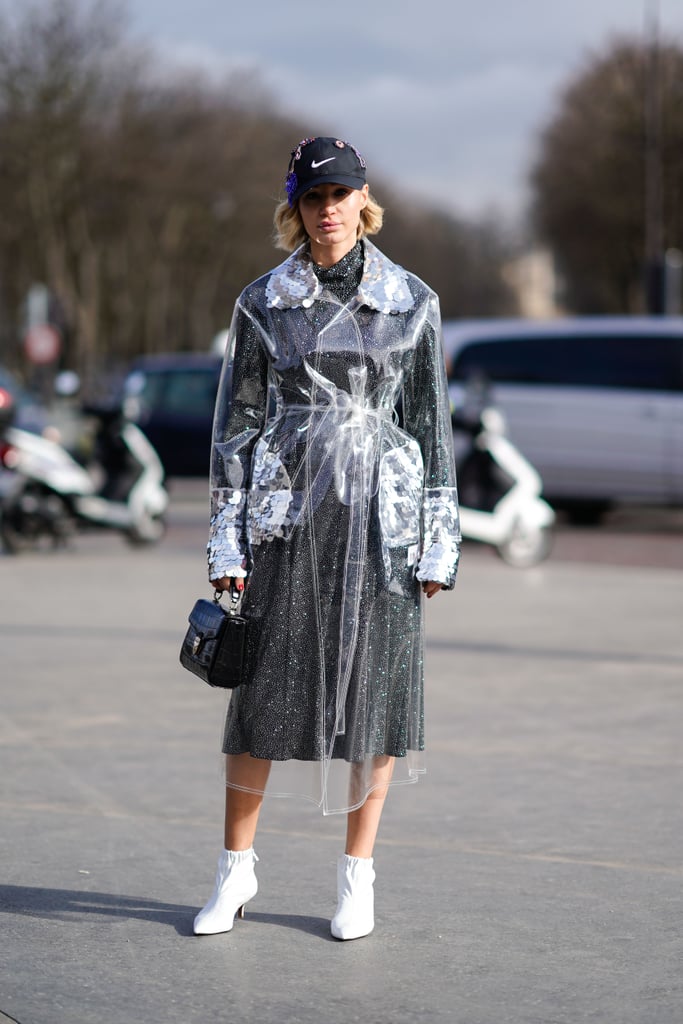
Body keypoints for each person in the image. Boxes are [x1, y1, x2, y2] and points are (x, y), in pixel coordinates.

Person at [194, 136, 460, 941]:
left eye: (341, 195)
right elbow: (234, 430)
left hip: (382, 526)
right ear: (295, 208)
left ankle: (358, 877)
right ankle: (235, 869)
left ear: (363, 200)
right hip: (285, 521)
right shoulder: (261, 302)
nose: (329, 211)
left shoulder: (412, 299)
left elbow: (430, 426)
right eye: (314, 199)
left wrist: (437, 544)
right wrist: (226, 545)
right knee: (259, 699)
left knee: (374, 701)